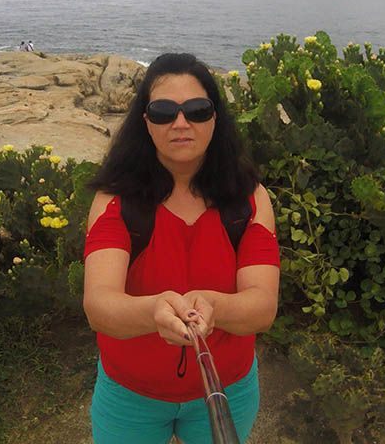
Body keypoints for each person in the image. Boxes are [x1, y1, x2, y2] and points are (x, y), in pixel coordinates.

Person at [83, 53, 279, 443]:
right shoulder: (115, 201)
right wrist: (152, 312)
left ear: (215, 117)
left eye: (197, 110)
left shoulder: (251, 199)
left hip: (228, 388)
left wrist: (215, 307)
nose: (180, 123)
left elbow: (262, 305)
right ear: (145, 120)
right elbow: (99, 304)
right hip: (129, 395)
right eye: (163, 112)